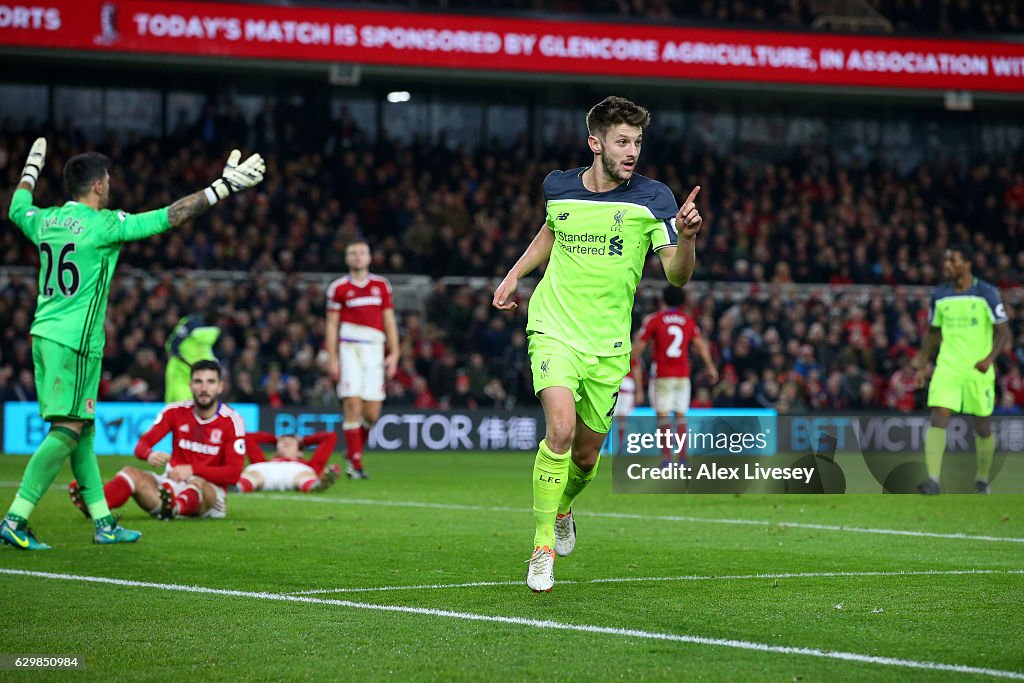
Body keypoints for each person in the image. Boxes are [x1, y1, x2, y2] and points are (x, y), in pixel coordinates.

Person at [1, 139, 264, 550]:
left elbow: (17, 207)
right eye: (108, 180)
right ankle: (16, 516)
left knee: (83, 432)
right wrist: (221, 188)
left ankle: (103, 522)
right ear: (99, 187)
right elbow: (168, 218)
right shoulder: (104, 225)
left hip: (45, 333)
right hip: (75, 342)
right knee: (68, 429)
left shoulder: (45, 219)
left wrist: (31, 169)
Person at [492, 96, 704, 592]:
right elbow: (551, 231)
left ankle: (563, 507)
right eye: (622, 141)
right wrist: (514, 276)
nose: (632, 151)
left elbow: (676, 276)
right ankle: (542, 545)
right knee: (559, 431)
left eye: (637, 142)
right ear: (596, 143)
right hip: (553, 327)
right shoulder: (557, 185)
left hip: (607, 345)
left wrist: (689, 238)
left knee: (586, 458)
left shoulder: (655, 199)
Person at [69, 360, 247, 520]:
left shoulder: (232, 420)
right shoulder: (175, 412)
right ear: (190, 385)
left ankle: (176, 507)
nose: (204, 388)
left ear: (220, 387)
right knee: (130, 472)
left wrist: (192, 469)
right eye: (198, 381)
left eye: (210, 382)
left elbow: (234, 473)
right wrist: (149, 454)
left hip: (210, 496)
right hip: (170, 488)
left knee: (197, 483)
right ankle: (96, 507)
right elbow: (141, 445)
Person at [914, 244, 1010, 494]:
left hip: (977, 369)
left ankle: (981, 479)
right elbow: (933, 333)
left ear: (967, 264)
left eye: (953, 261)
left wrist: (990, 358)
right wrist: (922, 366)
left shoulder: (986, 293)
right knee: (939, 414)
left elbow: (1003, 331)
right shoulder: (939, 295)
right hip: (948, 366)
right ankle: (932, 480)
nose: (947, 265)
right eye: (945, 261)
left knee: (983, 426)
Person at [325, 239, 400, 480]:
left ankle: (353, 451)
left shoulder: (381, 285)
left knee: (371, 414)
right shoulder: (338, 288)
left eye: (362, 252)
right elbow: (331, 325)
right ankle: (355, 464)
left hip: (375, 350)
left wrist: (395, 353)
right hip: (350, 349)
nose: (358, 256)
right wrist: (332, 358)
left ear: (369, 258)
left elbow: (389, 320)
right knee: (353, 405)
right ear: (347, 259)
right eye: (352, 253)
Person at [632, 285, 718, 466]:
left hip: (663, 373)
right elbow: (700, 345)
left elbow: (639, 346)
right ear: (682, 302)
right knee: (680, 416)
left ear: (663, 300)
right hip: (682, 374)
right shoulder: (688, 320)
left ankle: (666, 458)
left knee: (663, 416)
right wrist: (711, 367)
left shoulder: (654, 319)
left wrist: (631, 362)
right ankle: (683, 458)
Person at [234, 430, 341, 493]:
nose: (286, 442)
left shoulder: (309, 464)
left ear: (300, 453)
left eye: (291, 442)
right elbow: (246, 437)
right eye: (282, 441)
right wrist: (274, 439)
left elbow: (330, 436)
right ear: (275, 449)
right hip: (267, 470)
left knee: (305, 475)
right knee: (254, 474)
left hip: (297, 471)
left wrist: (303, 441)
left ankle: (315, 486)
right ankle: (237, 486)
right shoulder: (263, 461)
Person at [165, 314, 221, 403]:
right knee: (180, 403)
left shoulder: (217, 328)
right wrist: (187, 362)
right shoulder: (191, 323)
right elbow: (173, 346)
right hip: (180, 371)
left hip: (200, 371)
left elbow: (208, 348)